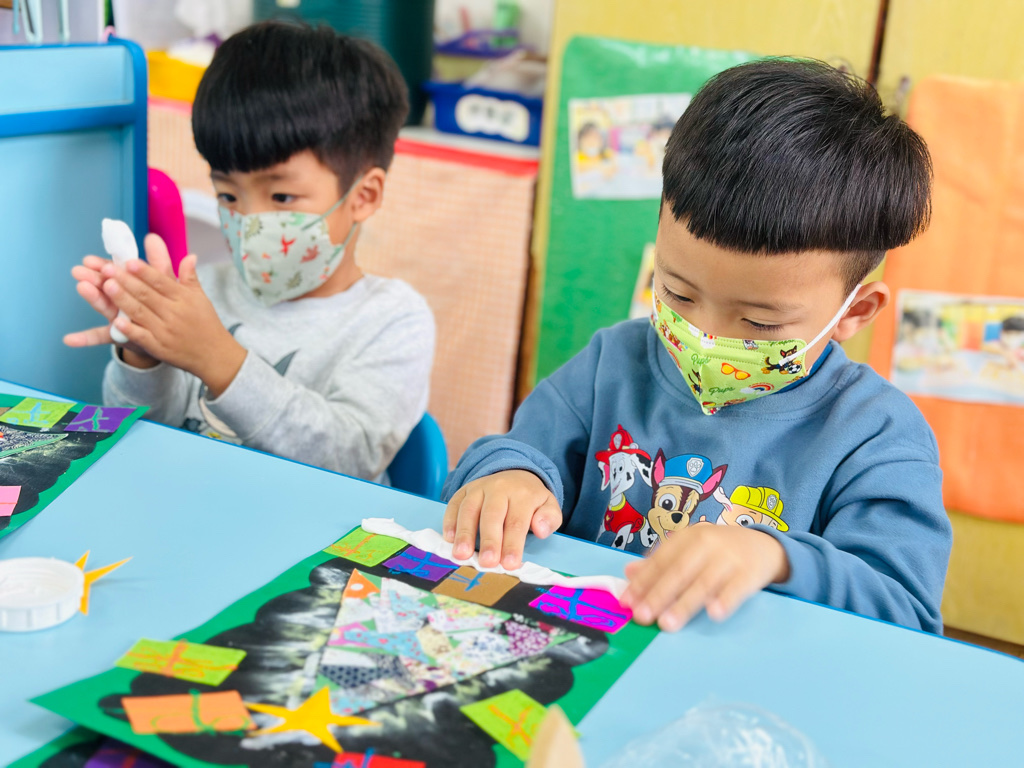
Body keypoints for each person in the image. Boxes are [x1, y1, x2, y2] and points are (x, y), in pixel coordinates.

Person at [441, 59, 952, 634]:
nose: (706, 337)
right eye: (678, 292)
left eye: (758, 321)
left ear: (852, 313)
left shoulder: (876, 434)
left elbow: (906, 614)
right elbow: (515, 454)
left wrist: (777, 558)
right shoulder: (613, 365)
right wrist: (507, 480)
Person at [64, 22, 435, 481]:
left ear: (363, 196)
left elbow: (353, 459)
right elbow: (143, 438)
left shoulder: (393, 321)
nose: (248, 221)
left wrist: (217, 357)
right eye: (228, 196)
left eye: (281, 197)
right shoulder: (205, 290)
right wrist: (144, 357)